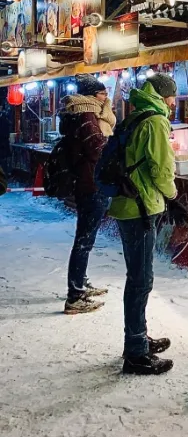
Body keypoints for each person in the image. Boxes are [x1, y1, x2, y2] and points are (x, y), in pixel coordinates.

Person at [108, 73, 180, 375]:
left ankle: (138, 337)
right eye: (173, 97)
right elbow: (162, 168)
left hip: (129, 204)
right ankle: (136, 351)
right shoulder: (155, 122)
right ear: (162, 95)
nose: (175, 103)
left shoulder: (135, 116)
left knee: (138, 277)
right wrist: (173, 196)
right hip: (139, 207)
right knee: (141, 280)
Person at [61, 74, 117, 314]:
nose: (107, 97)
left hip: (87, 181)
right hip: (91, 183)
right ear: (93, 96)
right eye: (103, 93)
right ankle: (75, 296)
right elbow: (97, 148)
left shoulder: (83, 114)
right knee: (84, 240)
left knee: (85, 238)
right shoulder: (87, 115)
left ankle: (80, 283)